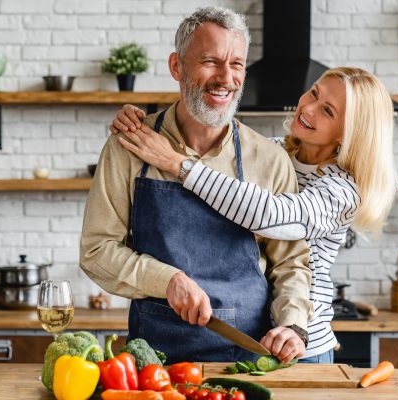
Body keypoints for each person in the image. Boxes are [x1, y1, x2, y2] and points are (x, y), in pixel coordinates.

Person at [110, 67, 398, 363]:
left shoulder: (341, 190)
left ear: (348, 133)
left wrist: (176, 163)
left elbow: (269, 215)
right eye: (314, 92)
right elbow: (213, 142)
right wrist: (147, 124)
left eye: (327, 110)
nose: (308, 108)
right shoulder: (274, 152)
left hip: (300, 341)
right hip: (255, 334)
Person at [80, 6, 313, 365]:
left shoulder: (268, 159)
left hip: (249, 358)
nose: (226, 77)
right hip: (154, 361)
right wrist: (167, 280)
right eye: (210, 61)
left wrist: (292, 325)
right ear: (176, 66)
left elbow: (291, 263)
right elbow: (97, 250)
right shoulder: (129, 145)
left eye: (236, 64)